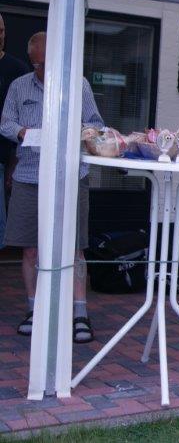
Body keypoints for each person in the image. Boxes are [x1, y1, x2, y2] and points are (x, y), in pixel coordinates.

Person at [0, 31, 104, 343]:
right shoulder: (19, 86)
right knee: (30, 248)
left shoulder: (79, 85)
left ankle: (79, 313)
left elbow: (96, 123)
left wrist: (80, 132)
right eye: (36, 64)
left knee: (75, 247)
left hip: (71, 174)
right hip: (29, 175)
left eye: (46, 64)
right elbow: (5, 122)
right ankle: (35, 310)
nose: (41, 70)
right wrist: (23, 133)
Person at [0, 14, 30, 248]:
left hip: (4, 156)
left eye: (1, 31)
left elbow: (22, 122)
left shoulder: (17, 71)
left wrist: (14, 163)